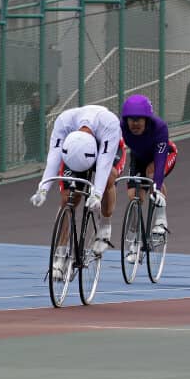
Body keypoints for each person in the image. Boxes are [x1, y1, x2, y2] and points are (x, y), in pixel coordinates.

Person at [29, 105, 125, 277]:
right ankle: (60, 254)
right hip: (74, 151)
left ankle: (105, 226)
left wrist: (97, 194)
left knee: (109, 177)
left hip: (105, 147)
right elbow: (54, 157)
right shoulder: (63, 122)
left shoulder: (110, 124)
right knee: (68, 199)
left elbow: (103, 164)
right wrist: (42, 189)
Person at [120, 95, 177, 261]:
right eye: (131, 120)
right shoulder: (121, 126)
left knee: (152, 175)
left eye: (139, 120)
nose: (135, 124)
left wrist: (157, 188)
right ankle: (135, 242)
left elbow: (159, 162)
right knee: (134, 197)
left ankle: (160, 219)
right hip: (138, 158)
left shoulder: (159, 127)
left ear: (147, 119)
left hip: (163, 155)